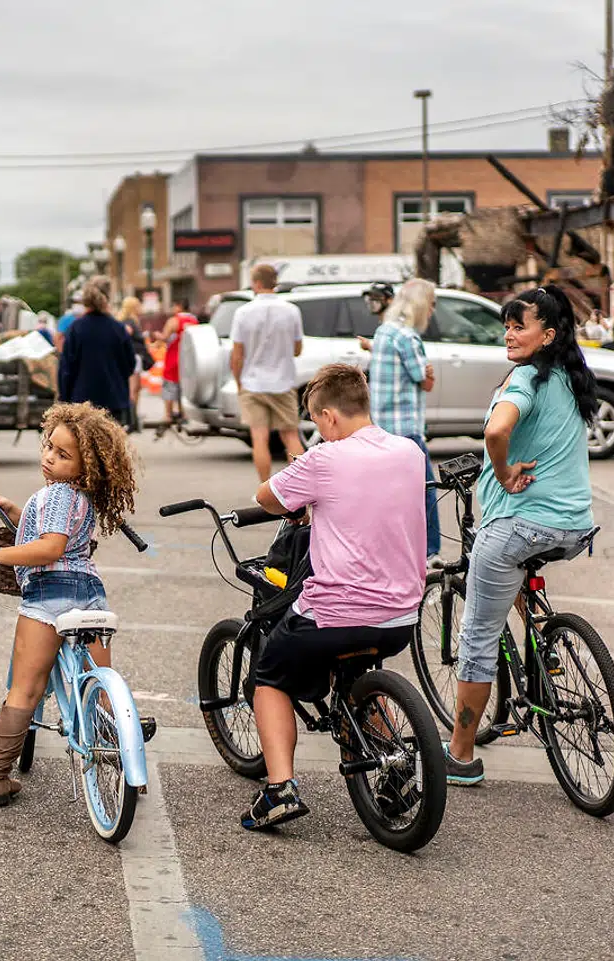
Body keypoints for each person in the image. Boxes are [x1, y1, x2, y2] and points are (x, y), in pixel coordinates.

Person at [240, 364, 426, 829]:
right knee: (357, 669)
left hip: (335, 614)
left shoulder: (324, 458)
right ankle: (396, 771)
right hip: (401, 614)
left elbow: (267, 497)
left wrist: (306, 499)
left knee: (269, 677)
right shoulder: (409, 452)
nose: (318, 430)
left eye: (316, 421)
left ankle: (279, 789)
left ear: (329, 416)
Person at [446, 286, 598, 787]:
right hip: (574, 525)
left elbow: (496, 432)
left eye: (520, 326)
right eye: (507, 325)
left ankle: (461, 756)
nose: (509, 334)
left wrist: (504, 469)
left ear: (548, 335)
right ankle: (547, 645)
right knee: (511, 573)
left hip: (519, 524)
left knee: (476, 639)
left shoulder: (526, 377)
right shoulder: (573, 377)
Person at [0, 403, 141, 805]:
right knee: (100, 686)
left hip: (50, 596)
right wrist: (15, 511)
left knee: (25, 689)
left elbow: (48, 548)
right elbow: (60, 536)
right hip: (89, 593)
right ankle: (126, 757)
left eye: (62, 455)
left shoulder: (56, 493)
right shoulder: (79, 495)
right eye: (48, 447)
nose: (49, 458)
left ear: (84, 464)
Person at [369, 277, 442, 567]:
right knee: (425, 492)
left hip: (381, 425)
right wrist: (431, 375)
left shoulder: (384, 331)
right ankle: (430, 552)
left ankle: (387, 549)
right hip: (406, 428)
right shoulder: (409, 337)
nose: (433, 311)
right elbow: (424, 381)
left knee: (388, 494)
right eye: (432, 304)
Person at [231, 263, 306, 483]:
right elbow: (298, 349)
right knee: (290, 435)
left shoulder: (243, 312)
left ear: (256, 283)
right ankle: (301, 488)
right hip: (283, 381)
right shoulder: (291, 310)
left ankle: (264, 488)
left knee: (259, 438)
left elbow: (237, 355)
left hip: (253, 382)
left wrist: (239, 383)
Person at [58, 278, 135, 427]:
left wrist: (65, 399)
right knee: (111, 446)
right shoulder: (118, 329)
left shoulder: (75, 329)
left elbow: (66, 369)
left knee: (84, 447)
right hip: (114, 401)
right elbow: (129, 365)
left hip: (81, 402)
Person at [156, 297, 198, 425]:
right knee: (184, 388)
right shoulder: (194, 320)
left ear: (179, 306)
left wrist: (157, 336)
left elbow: (164, 337)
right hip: (189, 360)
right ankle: (184, 414)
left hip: (174, 358)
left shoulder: (174, 320)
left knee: (170, 386)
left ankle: (168, 415)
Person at [116, 296, 147, 432]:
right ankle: (130, 420)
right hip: (133, 357)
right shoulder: (129, 322)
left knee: (136, 388)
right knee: (133, 389)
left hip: (134, 357)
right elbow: (124, 337)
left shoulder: (129, 321)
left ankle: (132, 418)